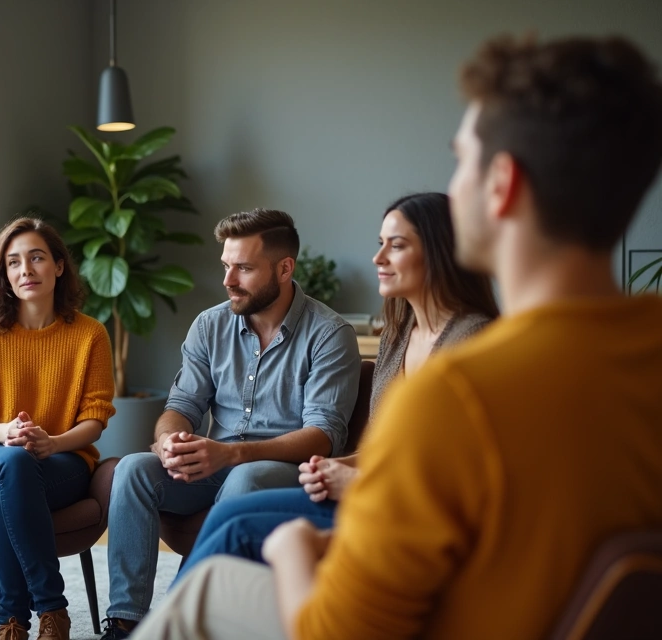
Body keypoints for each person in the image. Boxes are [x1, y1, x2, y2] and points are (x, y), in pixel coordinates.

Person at [133, 33, 662, 640]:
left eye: (462, 160)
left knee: (210, 587)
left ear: (502, 186)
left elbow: (335, 630)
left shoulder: (460, 391)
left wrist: (294, 549)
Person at [173, 192, 498, 581]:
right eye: (380, 245)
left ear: (441, 254)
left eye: (396, 246)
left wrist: (357, 480)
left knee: (239, 519)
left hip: (411, 511)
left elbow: (454, 468)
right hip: (372, 492)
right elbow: (383, 448)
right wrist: (331, 466)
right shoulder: (399, 335)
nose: (378, 259)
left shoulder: (473, 340)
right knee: (229, 512)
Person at [100, 209, 362, 639]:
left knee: (245, 477)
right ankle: (126, 621)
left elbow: (324, 435)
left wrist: (234, 452)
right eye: (226, 265)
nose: (228, 280)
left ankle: (184, 612)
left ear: (284, 268)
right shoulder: (210, 324)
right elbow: (181, 404)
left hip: (281, 469)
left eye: (243, 268)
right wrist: (169, 440)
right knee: (132, 470)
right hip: (216, 460)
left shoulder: (330, 333)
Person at [0, 217, 115, 640]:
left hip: (64, 463)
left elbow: (94, 421)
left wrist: (52, 441)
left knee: (11, 490)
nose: (26, 270)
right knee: (13, 465)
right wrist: (2, 433)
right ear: (3, 273)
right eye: (14, 262)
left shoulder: (90, 335)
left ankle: (13, 621)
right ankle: (53, 610)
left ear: (58, 266)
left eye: (37, 258)